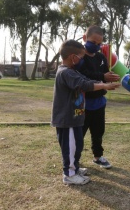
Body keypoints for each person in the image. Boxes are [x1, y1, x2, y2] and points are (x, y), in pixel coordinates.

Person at [51, 40, 120, 185]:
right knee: (70, 148)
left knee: (77, 145)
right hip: (67, 119)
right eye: (81, 57)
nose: (82, 60)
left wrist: (102, 81)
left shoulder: (73, 71)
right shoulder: (65, 72)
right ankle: (69, 174)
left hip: (75, 118)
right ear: (72, 57)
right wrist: (104, 85)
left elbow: (86, 79)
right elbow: (85, 84)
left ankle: (74, 169)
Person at [78, 25, 120, 169]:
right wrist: (102, 77)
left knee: (98, 132)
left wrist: (111, 79)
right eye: (92, 42)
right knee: (79, 133)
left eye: (99, 44)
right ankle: (74, 160)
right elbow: (82, 76)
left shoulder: (102, 57)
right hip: (82, 104)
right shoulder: (79, 57)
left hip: (99, 103)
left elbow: (106, 75)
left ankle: (98, 156)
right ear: (84, 38)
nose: (95, 46)